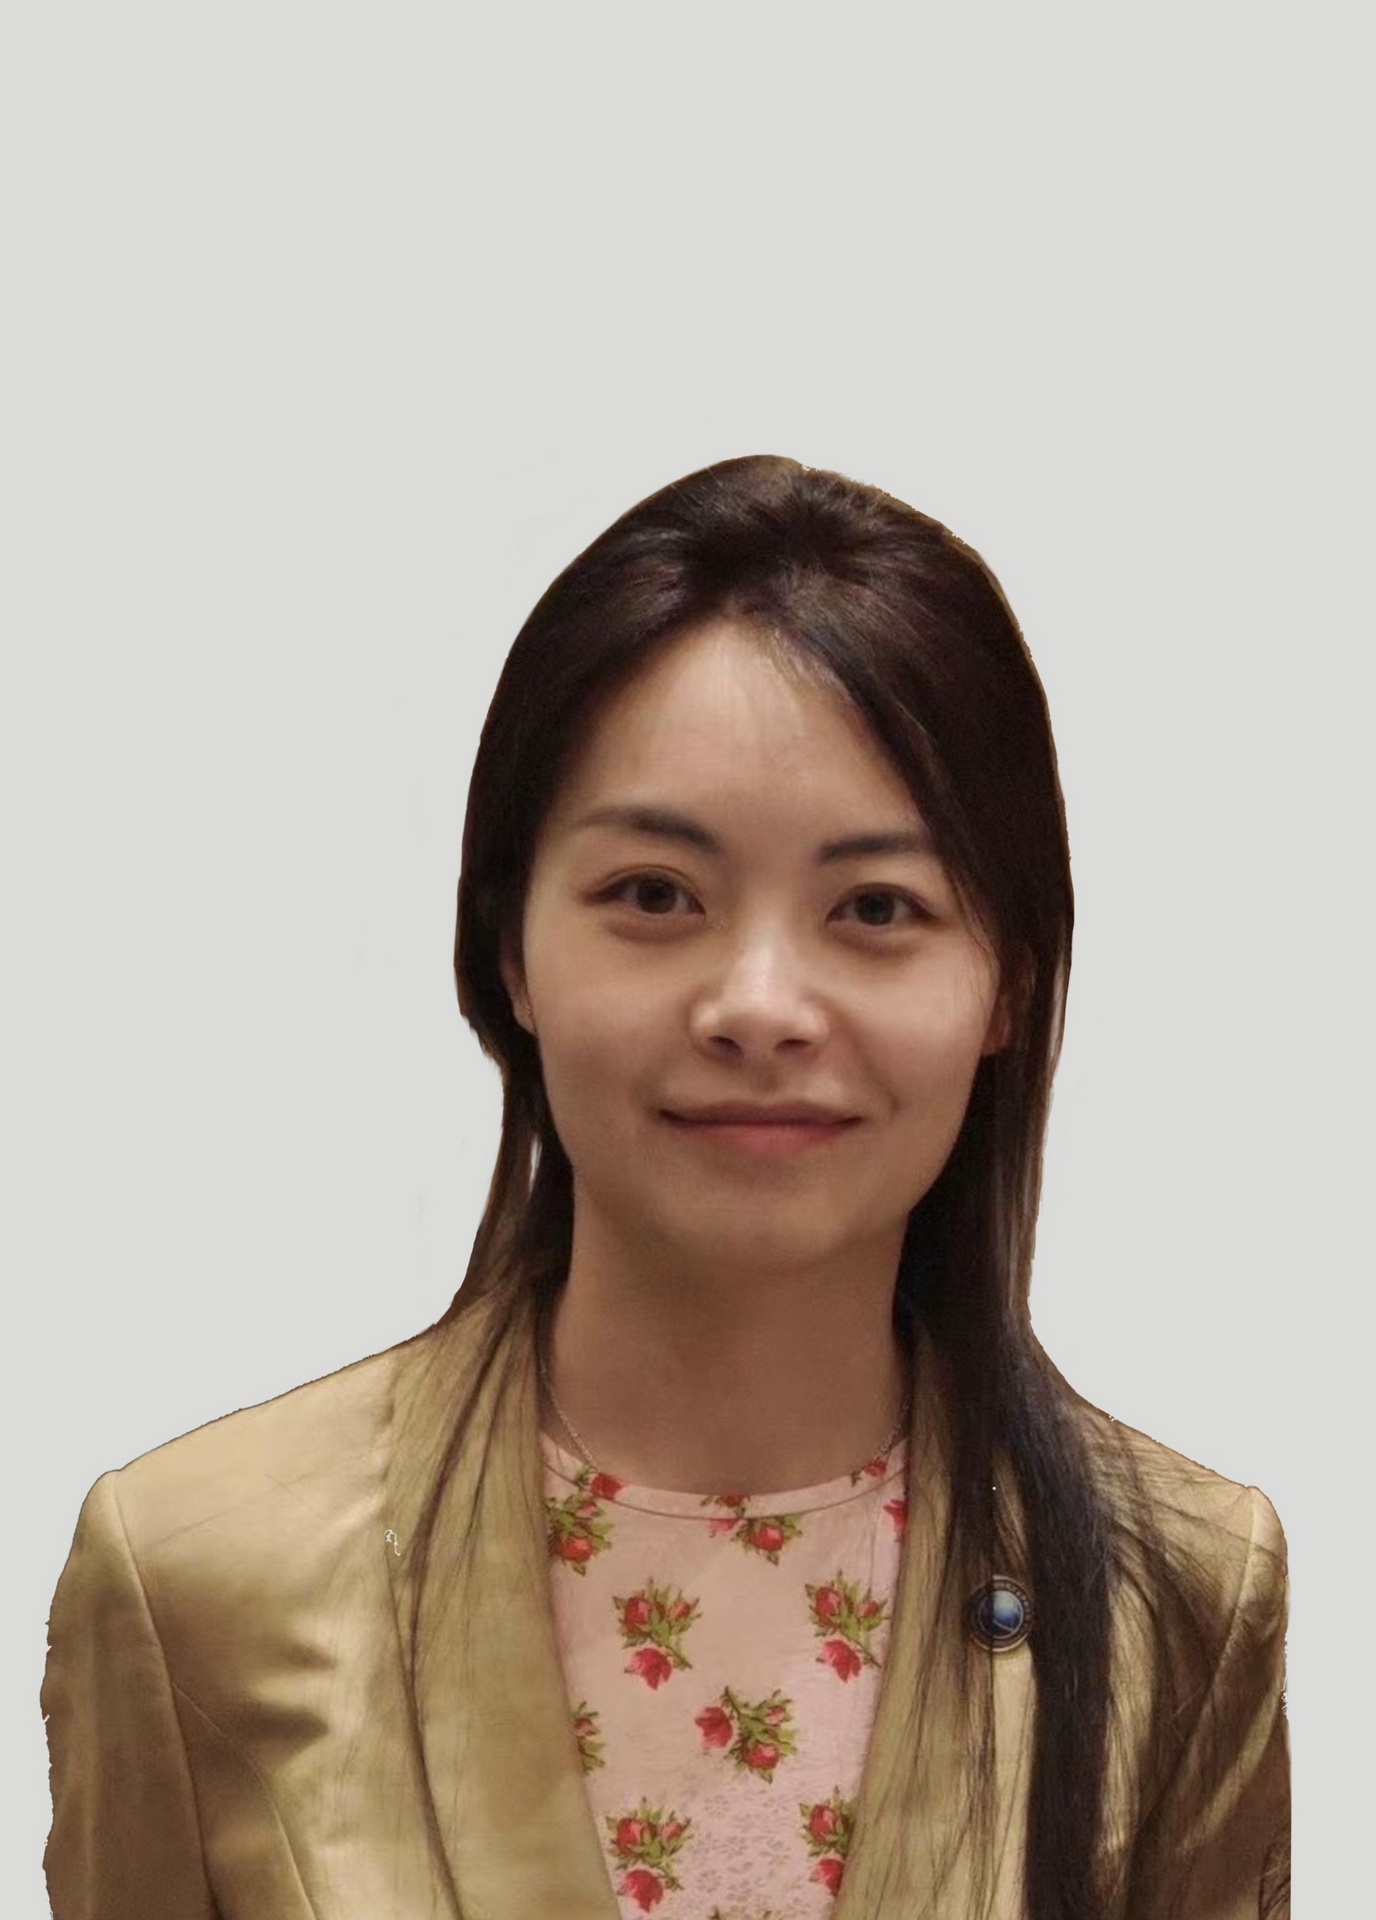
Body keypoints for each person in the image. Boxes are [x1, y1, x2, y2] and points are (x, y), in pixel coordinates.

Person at [41, 454, 1289, 1920]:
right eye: (653, 895)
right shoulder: (201, 1582)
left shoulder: (1176, 1598)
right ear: (510, 950)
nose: (758, 1005)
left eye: (876, 907)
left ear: (1008, 979)